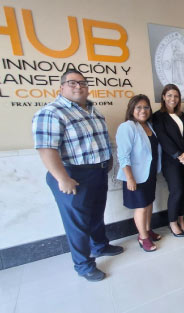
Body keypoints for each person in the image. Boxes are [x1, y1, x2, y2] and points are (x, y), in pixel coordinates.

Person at [32, 69, 123, 282]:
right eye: (72, 82)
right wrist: (62, 178)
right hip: (72, 174)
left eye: (82, 83)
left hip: (97, 172)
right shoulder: (52, 112)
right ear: (61, 87)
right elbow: (46, 149)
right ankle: (83, 265)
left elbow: (101, 141)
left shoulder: (94, 111)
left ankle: (100, 246)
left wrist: (107, 162)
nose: (78, 86)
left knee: (96, 215)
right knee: (77, 223)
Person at [116, 95, 162, 252]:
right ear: (132, 109)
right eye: (139, 107)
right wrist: (129, 177)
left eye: (146, 107)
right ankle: (143, 238)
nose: (143, 110)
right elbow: (123, 156)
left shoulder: (149, 126)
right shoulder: (127, 127)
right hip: (136, 176)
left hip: (149, 173)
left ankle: (148, 231)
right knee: (141, 207)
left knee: (148, 204)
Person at [153, 84, 184, 237]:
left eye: (176, 96)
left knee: (183, 191)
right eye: (169, 95)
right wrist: (180, 156)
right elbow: (163, 139)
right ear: (163, 97)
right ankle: (172, 223)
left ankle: (182, 220)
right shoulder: (158, 116)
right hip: (171, 161)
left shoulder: (181, 115)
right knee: (176, 191)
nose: (173, 99)